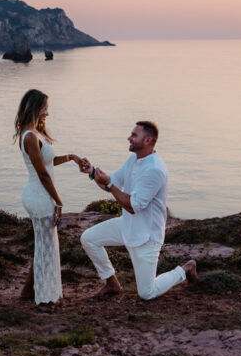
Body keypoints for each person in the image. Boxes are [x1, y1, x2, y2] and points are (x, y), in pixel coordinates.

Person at [78, 121, 198, 300]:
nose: (129, 137)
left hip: (147, 236)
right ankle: (112, 283)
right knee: (88, 238)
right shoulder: (134, 159)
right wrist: (92, 172)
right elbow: (112, 183)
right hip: (127, 225)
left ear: (148, 140)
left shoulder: (155, 169)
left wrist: (110, 185)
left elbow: (132, 206)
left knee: (147, 293)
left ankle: (185, 269)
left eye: (134, 135)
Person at [14, 89, 84, 305]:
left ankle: (27, 290)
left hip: (40, 194)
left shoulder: (35, 134)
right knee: (47, 247)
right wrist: (59, 202)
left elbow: (48, 163)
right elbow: (43, 174)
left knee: (43, 244)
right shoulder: (29, 137)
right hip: (39, 196)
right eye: (45, 109)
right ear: (35, 109)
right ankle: (45, 297)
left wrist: (71, 157)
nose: (47, 114)